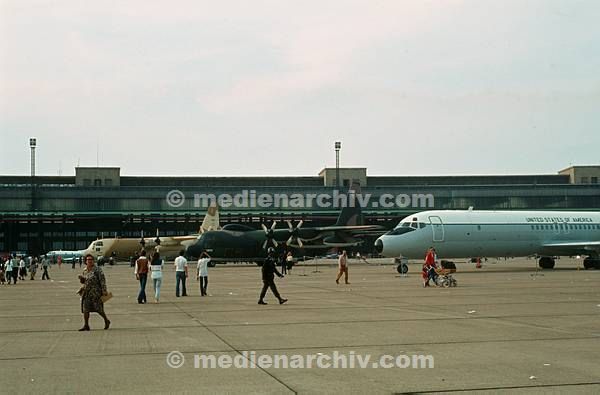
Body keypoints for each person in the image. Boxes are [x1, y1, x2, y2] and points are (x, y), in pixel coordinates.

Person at [78, 254, 110, 331]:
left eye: (91, 259)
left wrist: (104, 291)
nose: (89, 261)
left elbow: (102, 280)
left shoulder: (97, 269)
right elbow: (84, 282)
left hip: (96, 292)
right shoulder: (85, 270)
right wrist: (81, 279)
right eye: (88, 260)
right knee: (85, 309)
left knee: (99, 309)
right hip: (86, 292)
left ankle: (106, 320)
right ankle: (86, 325)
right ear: (85, 261)